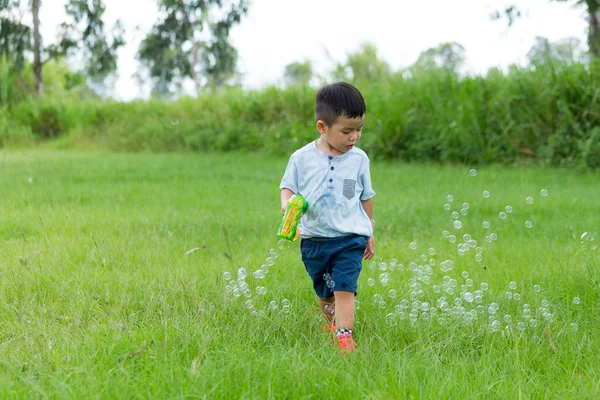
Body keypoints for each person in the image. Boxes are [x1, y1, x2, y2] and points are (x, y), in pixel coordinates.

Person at [279, 81, 376, 353]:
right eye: (347, 131)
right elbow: (287, 186)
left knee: (344, 286)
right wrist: (287, 204)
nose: (354, 137)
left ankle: (345, 335)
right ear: (323, 127)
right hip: (314, 238)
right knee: (324, 289)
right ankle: (331, 323)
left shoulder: (359, 160)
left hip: (349, 237)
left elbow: (365, 197)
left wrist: (369, 231)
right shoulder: (301, 158)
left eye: (359, 130)